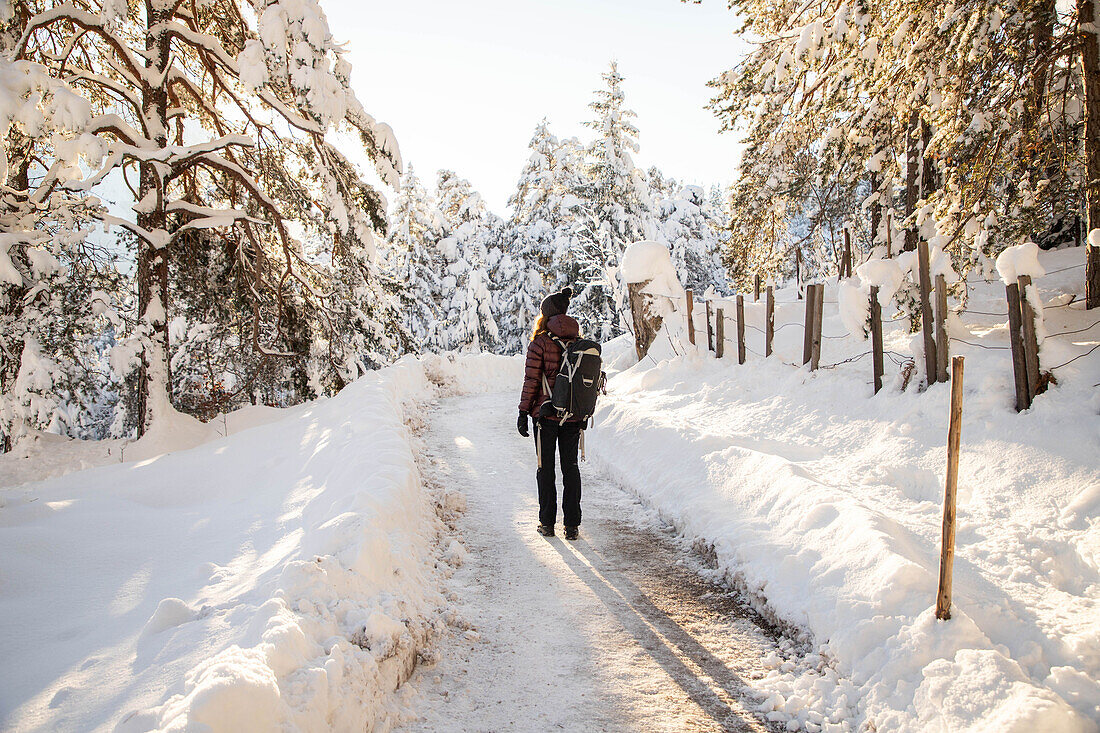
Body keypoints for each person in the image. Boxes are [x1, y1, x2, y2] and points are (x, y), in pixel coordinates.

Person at [517, 286, 584, 540]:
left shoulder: (540, 342)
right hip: (573, 415)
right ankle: (572, 526)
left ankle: (547, 523)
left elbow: (531, 380)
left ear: (546, 314)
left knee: (545, 469)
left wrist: (524, 411)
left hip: (545, 416)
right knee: (571, 468)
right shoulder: (579, 341)